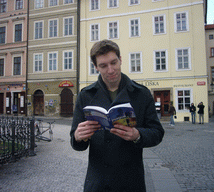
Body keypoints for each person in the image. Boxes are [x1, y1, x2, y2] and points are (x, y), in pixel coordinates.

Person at [70, 39, 165, 192]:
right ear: (96, 67)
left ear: (120, 60)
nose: (110, 70)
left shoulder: (141, 94)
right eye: (103, 65)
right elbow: (77, 144)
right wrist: (78, 136)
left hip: (130, 181)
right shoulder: (85, 95)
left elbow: (157, 133)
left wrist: (137, 135)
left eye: (113, 62)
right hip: (99, 182)